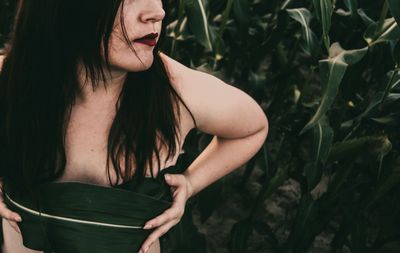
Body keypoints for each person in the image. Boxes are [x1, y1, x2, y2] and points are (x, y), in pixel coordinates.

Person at [0, 0, 269, 252]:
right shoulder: (11, 81)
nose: (157, 12)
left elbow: (252, 128)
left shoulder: (176, 95)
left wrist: (190, 182)